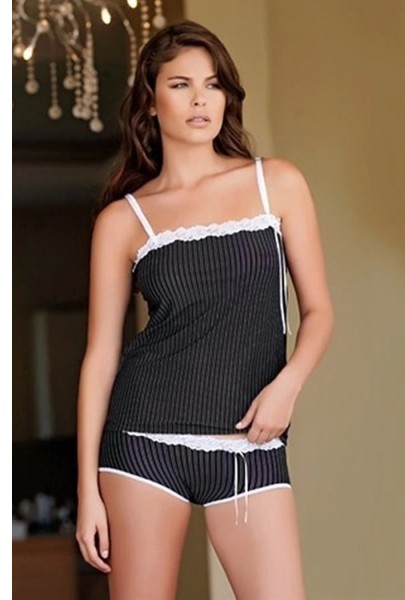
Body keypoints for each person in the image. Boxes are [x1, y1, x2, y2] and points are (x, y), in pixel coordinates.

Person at [75, 19, 334, 600]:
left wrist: (288, 385)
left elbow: (319, 311)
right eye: (181, 84)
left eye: (213, 85)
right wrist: (87, 489)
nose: (200, 99)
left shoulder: (277, 183)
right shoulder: (122, 220)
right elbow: (100, 359)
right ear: (150, 102)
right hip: (142, 441)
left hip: (250, 444)